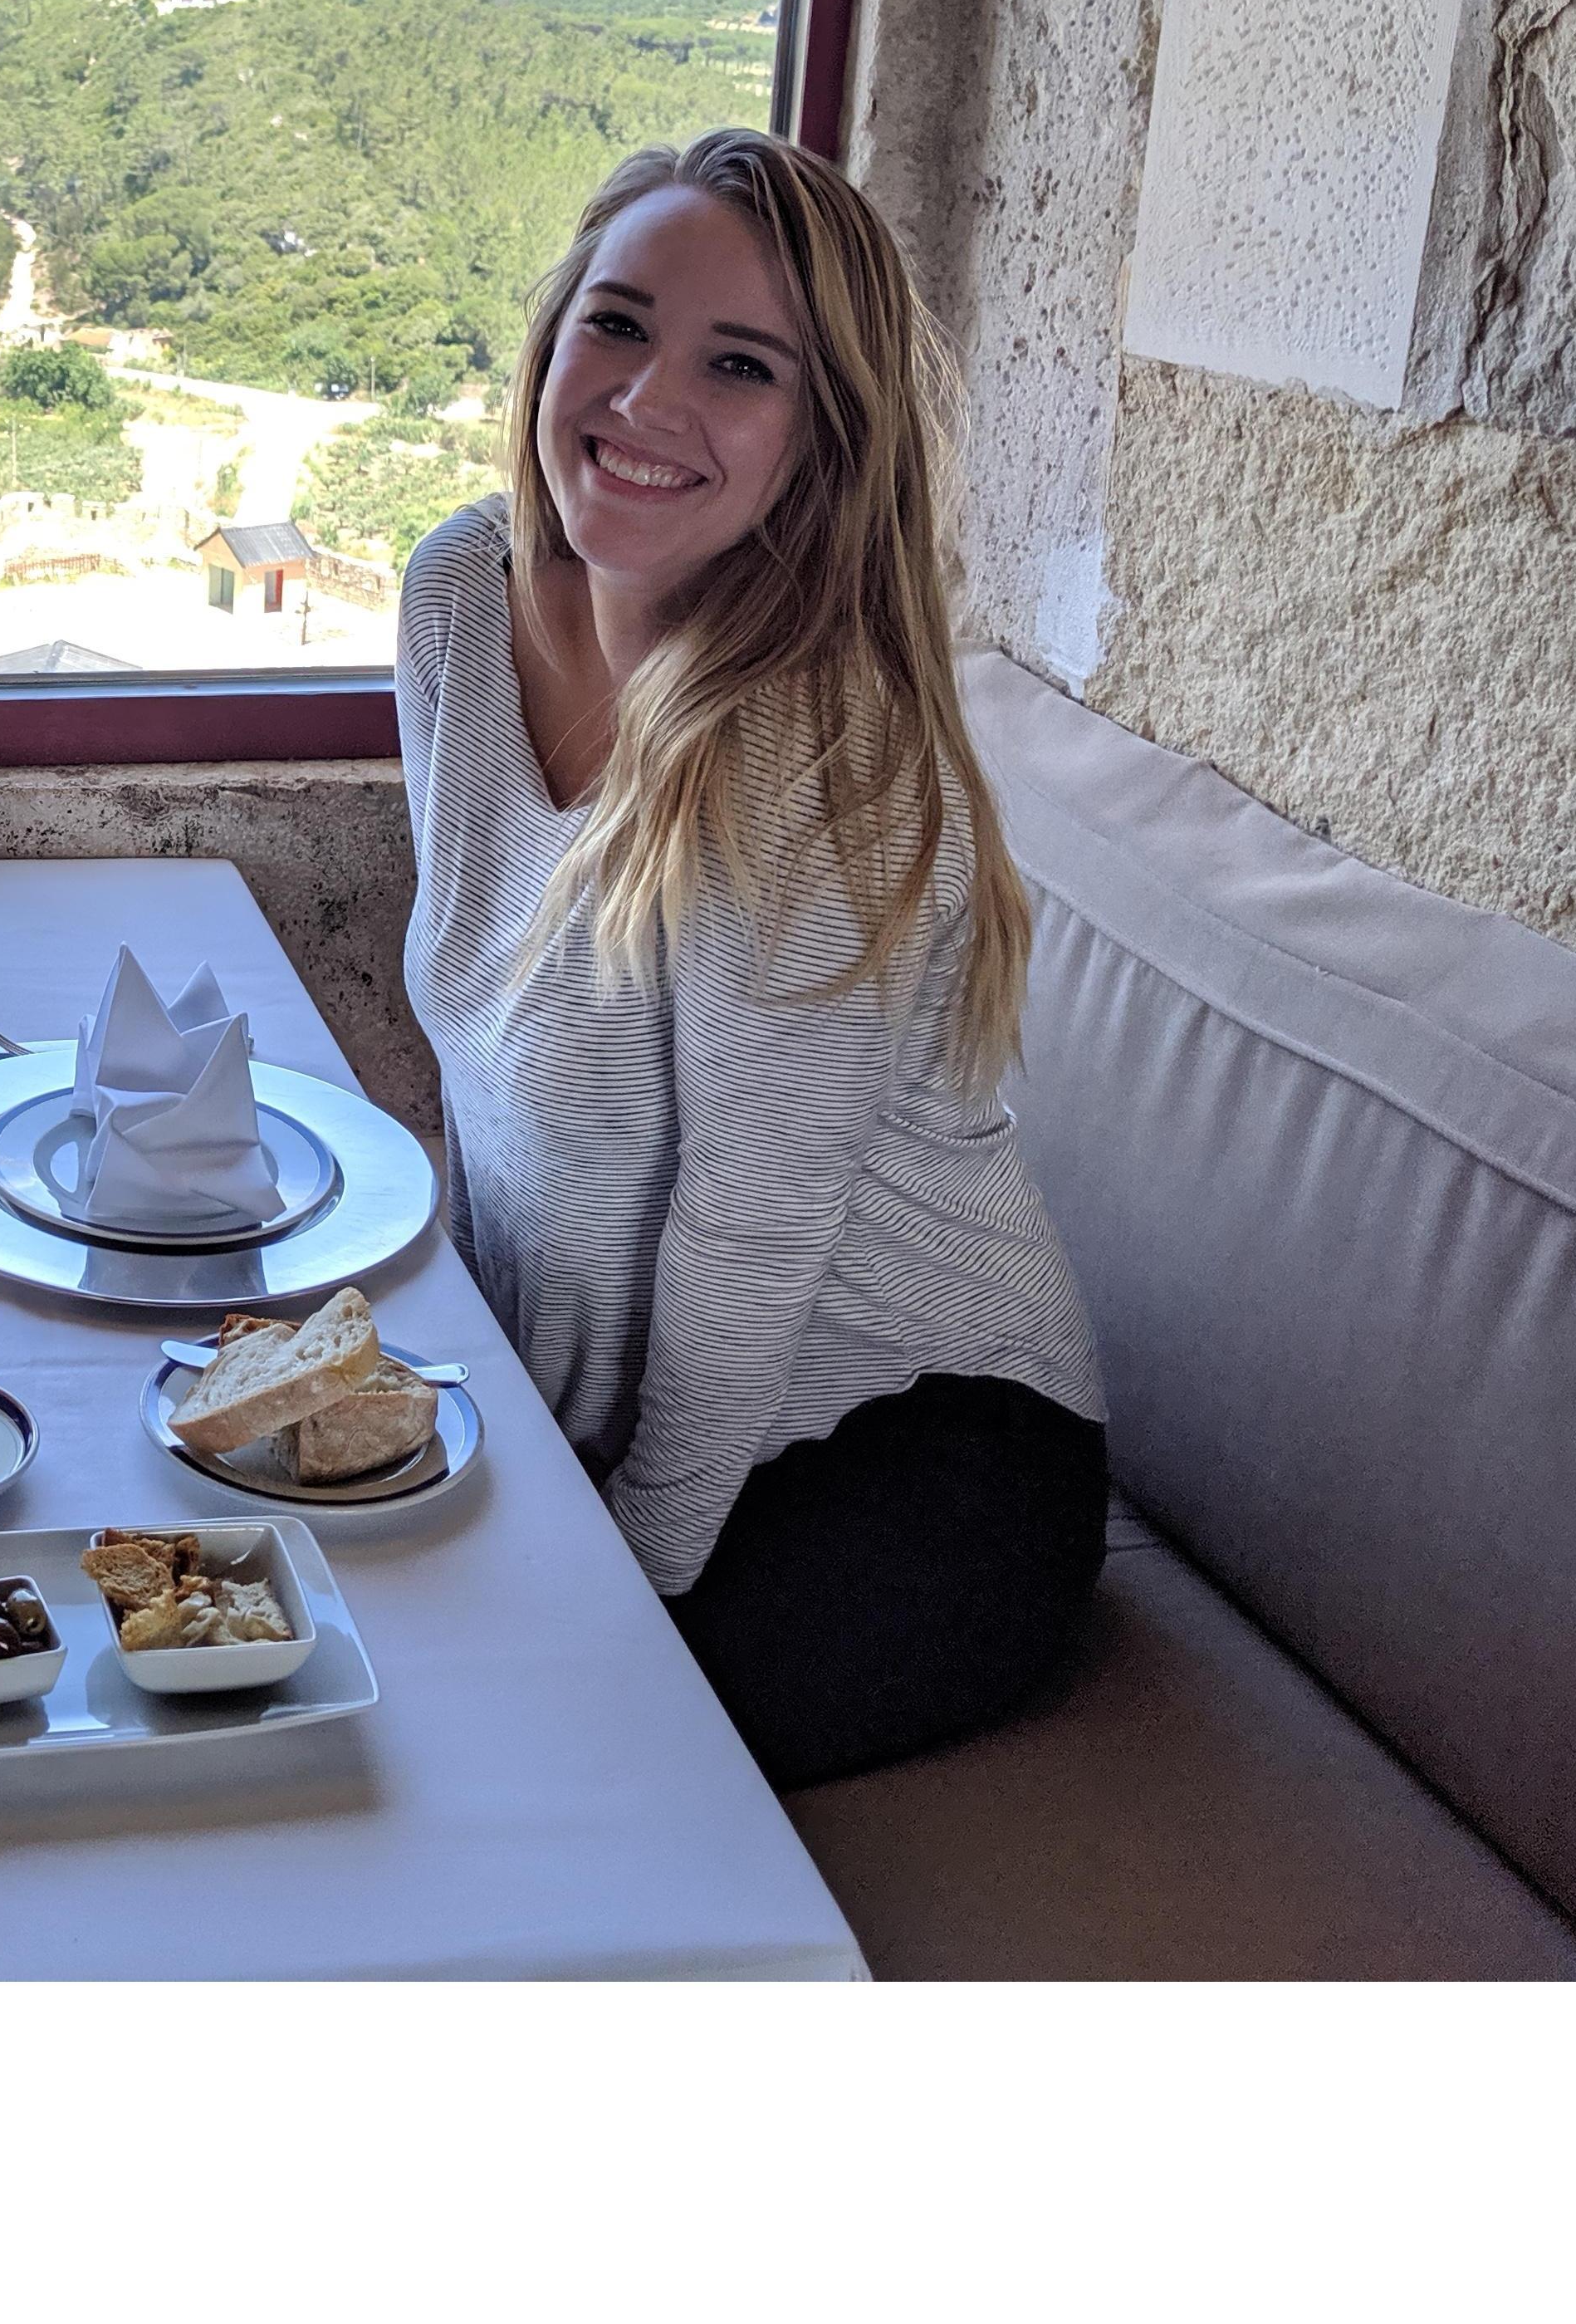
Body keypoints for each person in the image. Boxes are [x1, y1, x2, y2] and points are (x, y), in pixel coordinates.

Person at [394, 127, 1105, 1792]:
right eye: (620, 323)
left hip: (906, 1464)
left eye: (741, 366)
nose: (646, 402)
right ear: (555, 333)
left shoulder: (811, 754)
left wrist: (611, 1600)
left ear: (823, 439)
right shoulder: (458, 597)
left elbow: (748, 1245)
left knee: (495, 1770)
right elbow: (488, 1052)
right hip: (616, 1421)